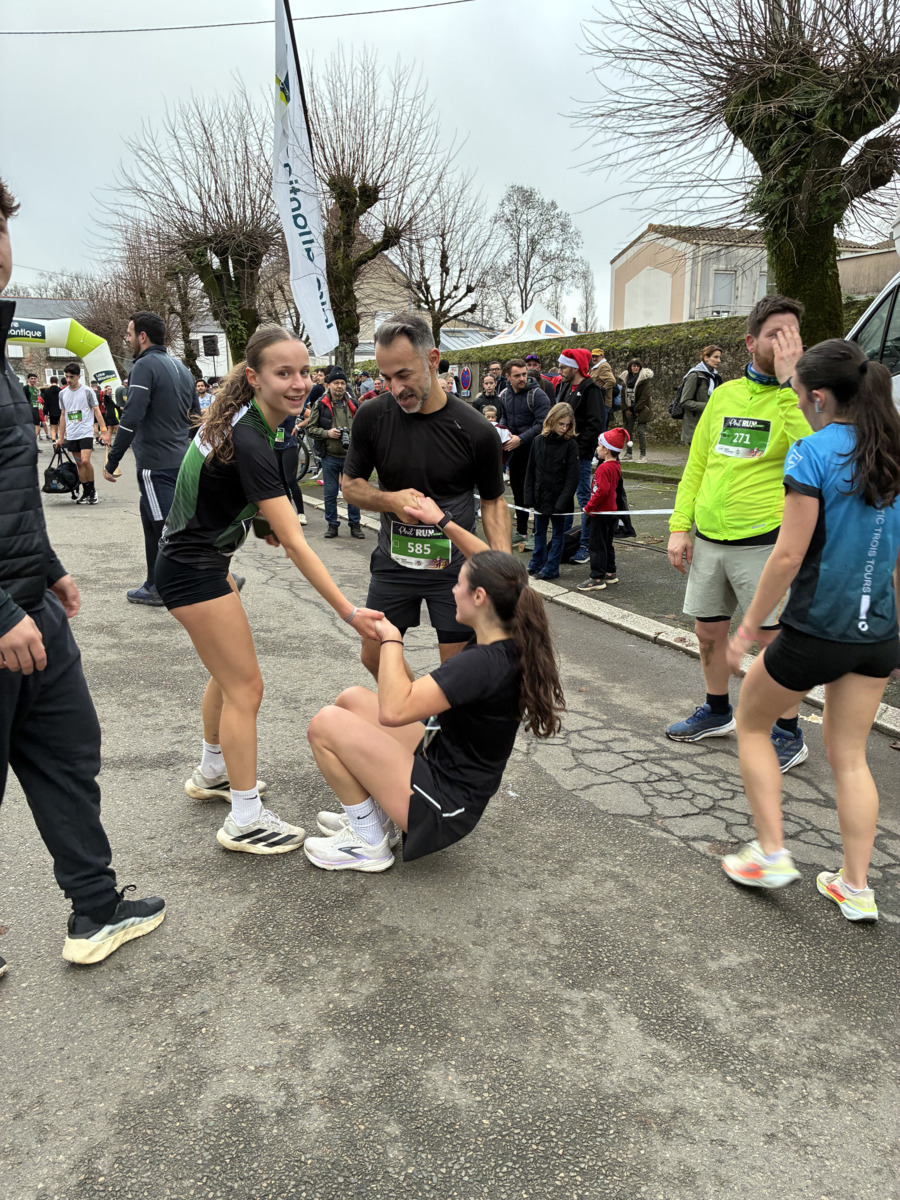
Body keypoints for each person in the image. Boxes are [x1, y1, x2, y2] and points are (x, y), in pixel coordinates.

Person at [0, 176, 165, 973]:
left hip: (34, 606)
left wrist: (50, 567)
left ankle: (95, 909)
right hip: (4, 618)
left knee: (70, 755)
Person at [155, 325, 383, 854]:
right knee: (246, 688)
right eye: (284, 373)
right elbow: (298, 544)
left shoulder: (247, 421)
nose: (299, 383)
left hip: (196, 560)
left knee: (228, 676)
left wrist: (259, 523)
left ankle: (214, 771)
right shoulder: (252, 436)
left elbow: (221, 489)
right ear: (254, 377)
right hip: (193, 569)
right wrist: (350, 612)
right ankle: (245, 820)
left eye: (304, 371)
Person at [721, 335, 900, 922]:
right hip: (877, 634)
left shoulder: (811, 452)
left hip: (816, 629)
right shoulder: (893, 450)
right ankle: (856, 887)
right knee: (850, 756)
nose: (798, 403)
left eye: (798, 394)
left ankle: (772, 852)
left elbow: (788, 555)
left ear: (820, 397)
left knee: (751, 723)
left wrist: (748, 629)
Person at [303, 507, 565, 873]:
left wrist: (391, 639)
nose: (452, 588)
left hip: (443, 806)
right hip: (440, 765)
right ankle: (378, 817)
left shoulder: (480, 664)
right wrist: (440, 520)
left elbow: (394, 710)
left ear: (479, 597)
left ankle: (368, 842)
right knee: (351, 701)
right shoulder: (501, 634)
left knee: (325, 724)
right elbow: (500, 567)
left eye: (458, 582)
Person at [665, 295, 812, 770]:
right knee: (708, 631)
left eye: (793, 334)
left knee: (773, 641)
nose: (786, 343)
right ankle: (717, 710)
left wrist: (790, 382)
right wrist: (679, 526)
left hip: (764, 540)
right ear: (750, 342)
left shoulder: (803, 397)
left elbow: (813, 448)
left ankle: (787, 731)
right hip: (710, 538)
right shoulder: (724, 394)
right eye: (776, 334)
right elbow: (698, 464)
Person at [342, 312, 511, 682]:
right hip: (394, 562)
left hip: (453, 568)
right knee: (374, 654)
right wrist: (391, 501)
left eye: (404, 375)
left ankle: (434, 712)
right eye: (386, 377)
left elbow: (493, 501)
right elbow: (350, 485)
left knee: (457, 671)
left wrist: (503, 571)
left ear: (432, 360)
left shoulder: (476, 430)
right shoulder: (372, 416)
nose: (395, 388)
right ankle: (419, 706)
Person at [103, 312, 201, 606]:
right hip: (180, 460)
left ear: (142, 336)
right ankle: (154, 584)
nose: (127, 338)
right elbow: (196, 419)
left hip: (155, 465)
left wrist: (112, 460)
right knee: (152, 522)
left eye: (129, 333)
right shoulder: (181, 367)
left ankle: (210, 578)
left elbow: (132, 416)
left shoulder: (144, 366)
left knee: (166, 529)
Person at [554, 348, 605, 566]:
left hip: (580, 456)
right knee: (564, 496)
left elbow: (595, 424)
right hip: (563, 454)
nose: (560, 371)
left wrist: (579, 450)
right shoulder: (564, 387)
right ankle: (563, 540)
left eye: (563, 367)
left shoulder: (591, 390)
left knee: (584, 498)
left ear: (575, 368)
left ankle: (585, 544)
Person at [497, 359, 552, 546]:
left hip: (535, 451)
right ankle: (521, 531)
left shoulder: (538, 395)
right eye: (517, 375)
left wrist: (520, 438)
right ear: (507, 377)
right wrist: (503, 433)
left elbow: (543, 424)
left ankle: (537, 535)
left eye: (524, 374)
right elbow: (505, 417)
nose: (521, 378)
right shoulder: (505, 395)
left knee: (536, 492)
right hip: (515, 451)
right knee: (518, 491)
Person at [306, 366, 363, 539]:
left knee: (353, 493)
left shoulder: (353, 404)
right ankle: (332, 525)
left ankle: (355, 524)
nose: (339, 386)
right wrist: (327, 433)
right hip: (329, 455)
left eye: (342, 383)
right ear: (328, 384)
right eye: (336, 383)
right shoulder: (321, 404)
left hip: (350, 457)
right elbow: (310, 429)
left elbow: (364, 427)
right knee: (330, 493)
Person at [524, 402, 579, 581]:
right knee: (539, 531)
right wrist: (529, 498)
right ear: (552, 420)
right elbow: (531, 471)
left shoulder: (570, 445)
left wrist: (562, 501)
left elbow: (573, 477)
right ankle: (537, 561)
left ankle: (551, 567)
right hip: (540, 496)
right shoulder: (538, 441)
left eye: (567, 425)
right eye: (561, 424)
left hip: (559, 498)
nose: (564, 428)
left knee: (557, 534)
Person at [576, 426, 630, 591]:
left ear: (606, 450)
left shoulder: (603, 468)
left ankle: (597, 577)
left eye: (599, 446)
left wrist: (588, 507)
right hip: (611, 512)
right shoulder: (615, 466)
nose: (597, 449)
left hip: (600, 513)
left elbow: (602, 491)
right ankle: (610, 571)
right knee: (607, 543)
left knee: (596, 546)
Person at [57, 362, 108, 505]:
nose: (68, 380)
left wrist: (104, 431)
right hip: (72, 434)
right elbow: (63, 415)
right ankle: (86, 491)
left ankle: (92, 491)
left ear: (79, 376)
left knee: (85, 461)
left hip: (85, 432)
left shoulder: (87, 391)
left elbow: (97, 410)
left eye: (71, 377)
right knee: (79, 464)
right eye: (66, 376)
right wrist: (60, 437)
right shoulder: (62, 393)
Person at [680, 346, 723, 446]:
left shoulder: (715, 377)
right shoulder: (694, 376)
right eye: (716, 357)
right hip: (695, 427)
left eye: (719, 357)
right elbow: (685, 401)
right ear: (706, 358)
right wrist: (709, 406)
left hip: (710, 426)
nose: (719, 361)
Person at [275, 411, 307, 525]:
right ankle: (288, 512)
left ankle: (301, 513)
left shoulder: (291, 406)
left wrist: (298, 426)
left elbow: (311, 415)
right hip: (275, 446)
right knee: (281, 481)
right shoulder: (271, 406)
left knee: (291, 480)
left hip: (289, 445)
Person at [619, 358, 653, 462]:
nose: (636, 368)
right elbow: (622, 396)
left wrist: (636, 409)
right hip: (630, 409)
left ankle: (643, 455)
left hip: (642, 409)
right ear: (630, 367)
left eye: (638, 366)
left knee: (640, 431)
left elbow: (645, 396)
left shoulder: (644, 380)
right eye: (634, 366)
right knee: (628, 431)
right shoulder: (626, 379)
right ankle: (629, 453)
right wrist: (625, 409)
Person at [589, 348, 618, 431]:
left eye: (596, 356)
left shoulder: (603, 366)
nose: (594, 358)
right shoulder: (596, 367)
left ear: (602, 356)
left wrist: (601, 390)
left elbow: (612, 381)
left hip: (602, 402)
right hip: (598, 402)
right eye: (593, 356)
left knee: (600, 427)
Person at [25, 372, 44, 450]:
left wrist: (40, 407)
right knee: (32, 428)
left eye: (34, 379)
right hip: (29, 410)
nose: (33, 380)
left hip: (35, 409)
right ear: (28, 379)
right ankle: (31, 445)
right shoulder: (26, 388)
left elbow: (36, 400)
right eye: (31, 378)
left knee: (37, 428)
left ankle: (33, 445)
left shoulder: (35, 389)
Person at [40, 375, 62, 442]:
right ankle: (60, 441)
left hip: (52, 412)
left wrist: (45, 413)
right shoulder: (61, 391)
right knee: (60, 427)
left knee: (53, 427)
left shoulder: (47, 391)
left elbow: (46, 403)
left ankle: (54, 441)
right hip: (60, 411)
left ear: (50, 382)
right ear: (57, 382)